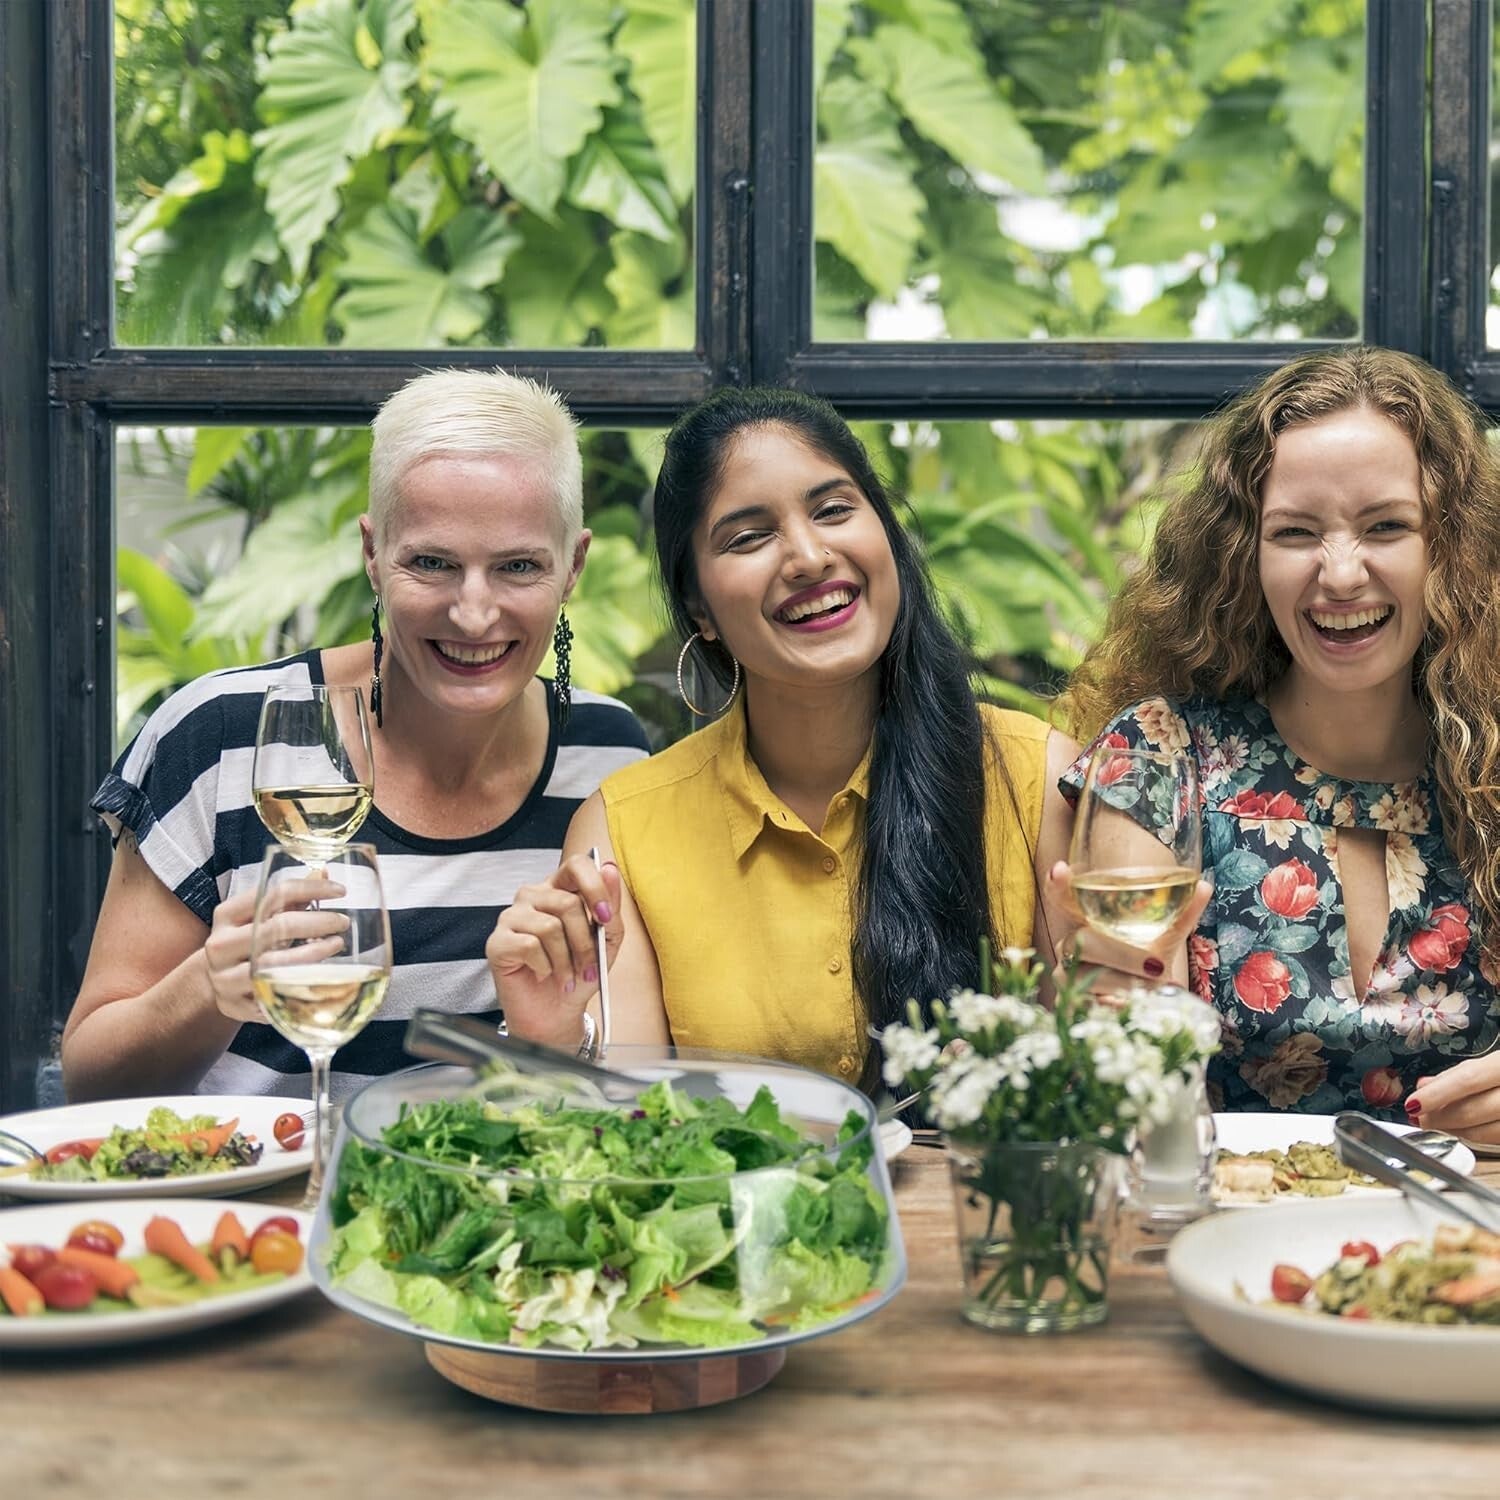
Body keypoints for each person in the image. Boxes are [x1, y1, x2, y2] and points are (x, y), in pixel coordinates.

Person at [63, 370, 650, 1101]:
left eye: (518, 566)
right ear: (372, 555)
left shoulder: (611, 755)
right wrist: (206, 991)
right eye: (431, 563)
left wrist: (553, 1039)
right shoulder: (219, 735)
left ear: (574, 567)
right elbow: (90, 1081)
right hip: (248, 1206)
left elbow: (598, 1091)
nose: (473, 613)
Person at [486, 386, 1085, 1088]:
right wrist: (557, 1039)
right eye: (748, 537)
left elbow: (1090, 1099)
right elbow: (631, 1126)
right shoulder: (626, 829)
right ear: (698, 608)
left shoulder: (1035, 779)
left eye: (833, 511)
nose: (806, 556)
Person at [1059, 346, 1500, 1139]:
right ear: (1244, 557)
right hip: (1230, 1228)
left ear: (1452, 548)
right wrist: (1104, 1033)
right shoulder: (1161, 754)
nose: (1339, 574)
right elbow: (1118, 1063)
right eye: (1296, 532)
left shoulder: (1491, 760)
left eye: (1386, 526)